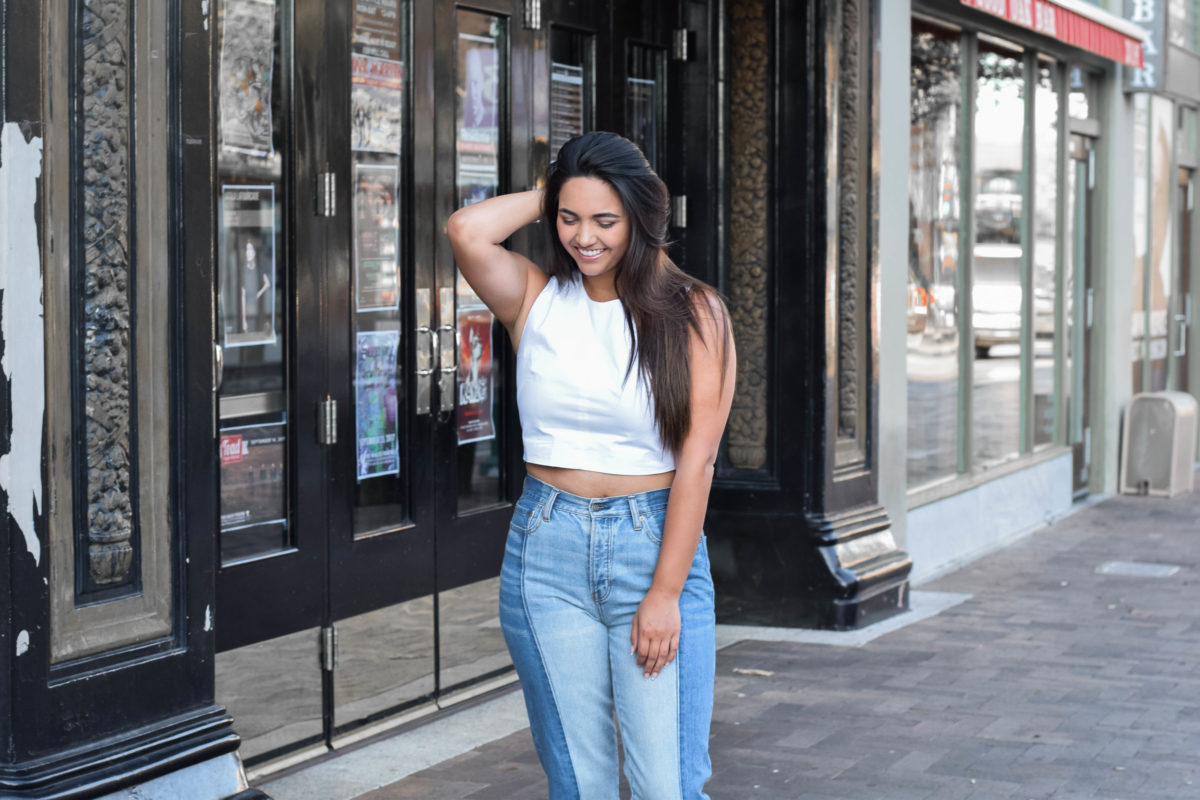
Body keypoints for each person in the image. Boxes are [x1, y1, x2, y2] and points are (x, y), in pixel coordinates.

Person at [447, 131, 735, 800]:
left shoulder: (695, 313)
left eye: (606, 220)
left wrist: (664, 595)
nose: (585, 237)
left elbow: (697, 466)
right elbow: (466, 229)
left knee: (668, 785)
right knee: (580, 784)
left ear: (640, 217)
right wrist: (562, 187)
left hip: (651, 546)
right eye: (569, 220)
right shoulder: (536, 298)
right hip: (545, 551)